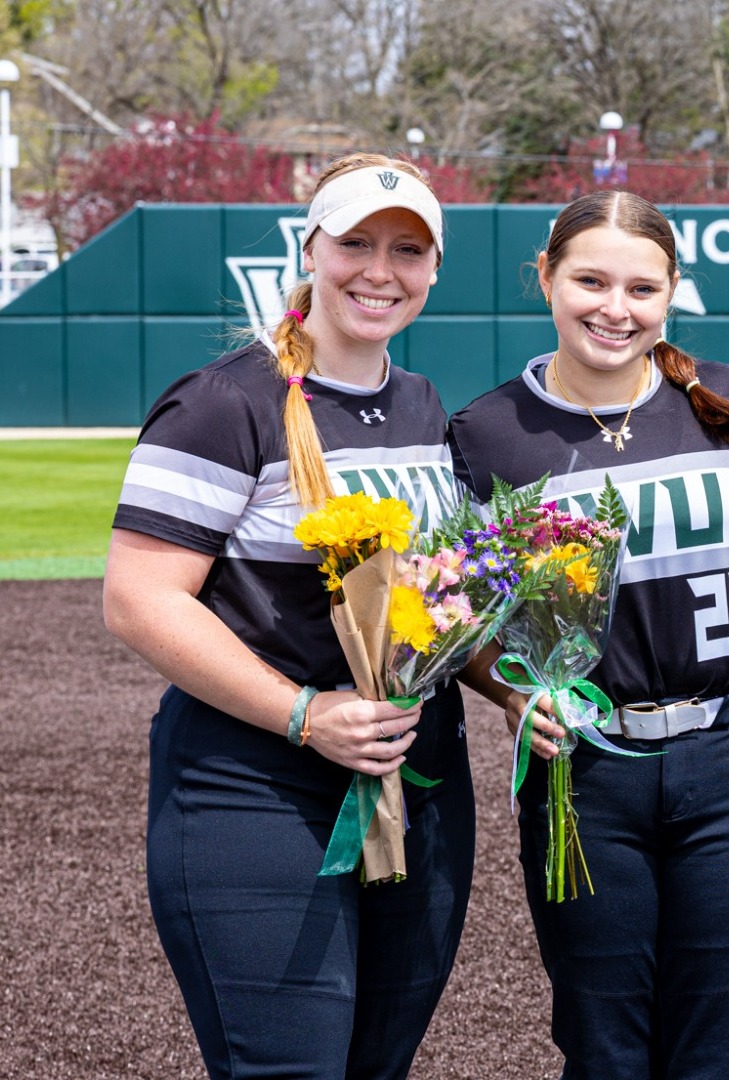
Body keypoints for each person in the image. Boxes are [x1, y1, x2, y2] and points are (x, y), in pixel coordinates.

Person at [104, 152, 471, 1079]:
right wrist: (306, 716)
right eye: (355, 244)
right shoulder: (224, 400)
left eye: (407, 251)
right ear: (311, 250)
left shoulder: (422, 403)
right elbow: (139, 601)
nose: (379, 272)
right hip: (254, 786)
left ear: (434, 270)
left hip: (412, 782)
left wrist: (514, 684)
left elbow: (433, 604)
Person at [446, 189, 729, 1079]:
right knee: (604, 1043)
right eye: (590, 280)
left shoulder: (726, 400)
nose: (616, 308)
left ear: (672, 293)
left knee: (720, 1045)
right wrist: (510, 690)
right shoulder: (486, 433)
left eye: (642, 288)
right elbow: (454, 613)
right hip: (586, 768)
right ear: (545, 277)